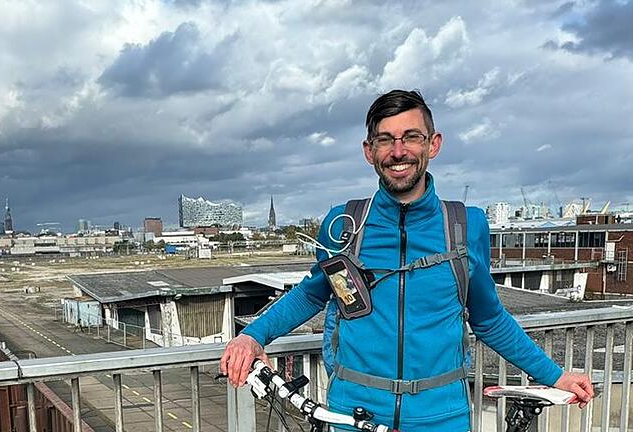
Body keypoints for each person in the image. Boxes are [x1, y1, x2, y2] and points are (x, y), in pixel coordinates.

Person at [219, 90, 594, 431]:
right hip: (352, 414)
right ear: (369, 151)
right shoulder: (342, 224)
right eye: (385, 140)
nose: (398, 151)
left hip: (441, 417)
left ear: (433, 144)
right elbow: (313, 293)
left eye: (411, 137)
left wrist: (555, 376)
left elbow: (489, 318)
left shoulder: (466, 225)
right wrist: (253, 335)